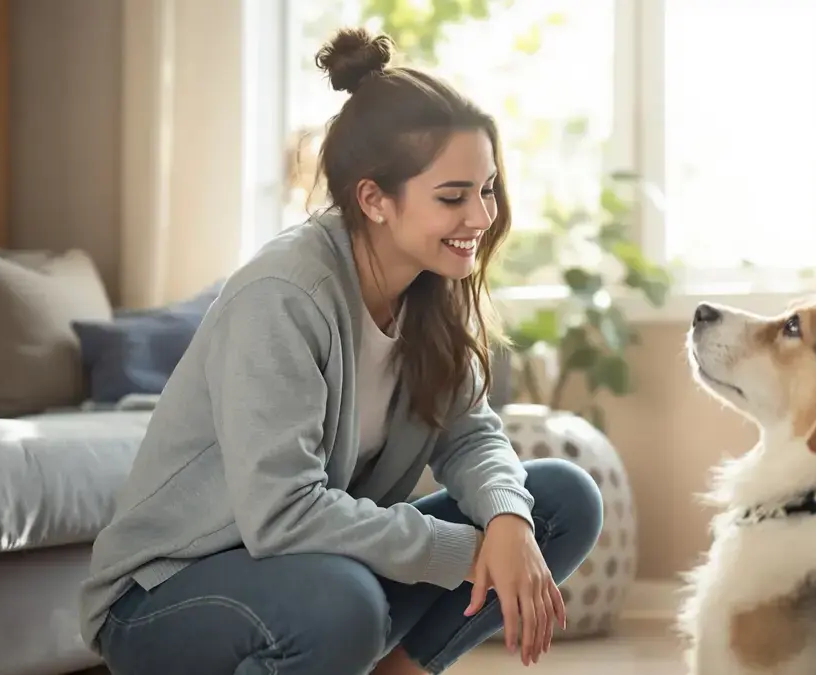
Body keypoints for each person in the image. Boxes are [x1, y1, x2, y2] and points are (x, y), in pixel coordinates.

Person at [77, 26, 604, 675]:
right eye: (452, 196)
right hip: (165, 595)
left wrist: (509, 524)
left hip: (316, 564)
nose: (481, 216)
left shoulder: (430, 286)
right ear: (373, 199)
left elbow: (469, 434)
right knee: (341, 606)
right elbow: (283, 512)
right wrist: (473, 554)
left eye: (487, 188)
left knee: (560, 500)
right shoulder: (283, 295)